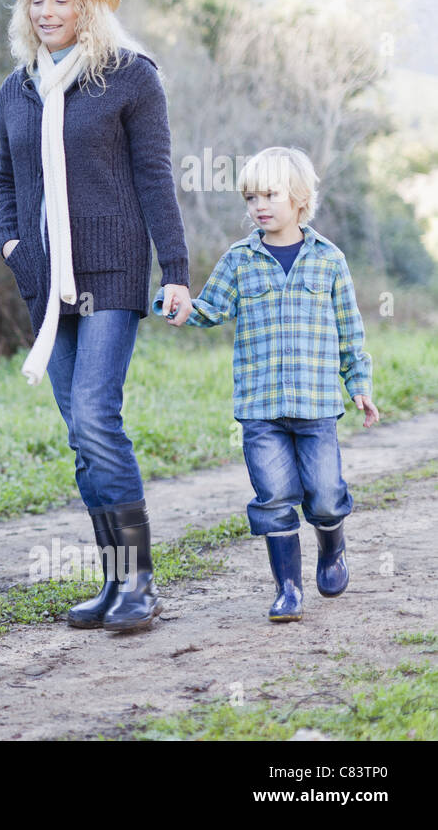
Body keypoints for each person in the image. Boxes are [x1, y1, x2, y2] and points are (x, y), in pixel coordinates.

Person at [0, 0, 192, 632]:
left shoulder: (131, 78)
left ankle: (140, 584)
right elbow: (7, 182)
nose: (47, 10)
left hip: (110, 269)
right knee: (81, 434)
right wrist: (14, 245)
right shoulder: (17, 88)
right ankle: (114, 585)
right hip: (45, 278)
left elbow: (154, 178)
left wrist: (175, 270)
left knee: (98, 421)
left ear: (88, 8)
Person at [156, 147, 378, 621]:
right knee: (274, 497)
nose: (259, 204)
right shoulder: (240, 259)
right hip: (260, 408)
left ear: (299, 199)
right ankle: (288, 591)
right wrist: (182, 309)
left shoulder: (329, 260)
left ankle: (332, 547)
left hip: (317, 404)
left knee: (324, 495)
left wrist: (358, 383)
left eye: (271, 194)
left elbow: (349, 328)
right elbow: (211, 307)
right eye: (252, 196)